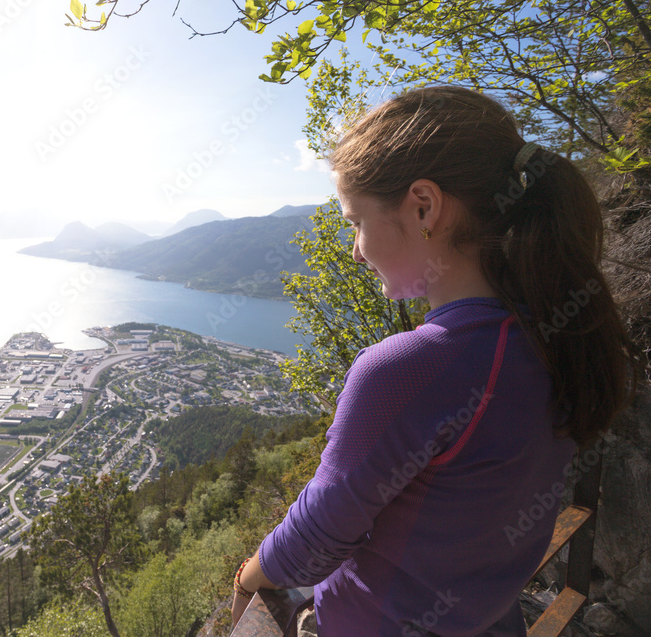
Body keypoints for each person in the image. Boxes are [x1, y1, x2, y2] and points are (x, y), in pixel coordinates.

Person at [231, 86, 644, 636]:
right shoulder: (556, 334)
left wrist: (248, 577)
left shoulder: (412, 366)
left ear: (423, 207)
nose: (356, 250)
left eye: (357, 221)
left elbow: (316, 539)